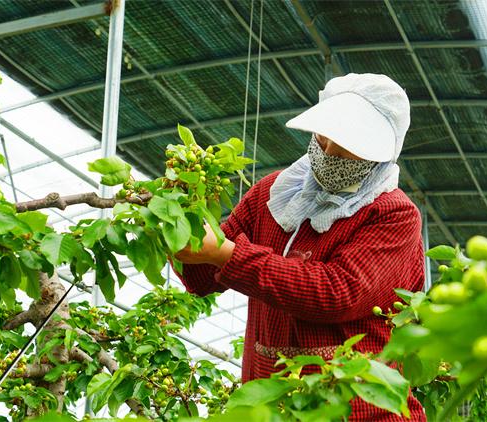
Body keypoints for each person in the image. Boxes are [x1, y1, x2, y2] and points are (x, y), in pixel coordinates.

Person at [174, 73, 426, 421]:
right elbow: (202, 277)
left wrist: (227, 253)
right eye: (325, 136)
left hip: (359, 409)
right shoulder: (272, 193)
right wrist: (177, 225)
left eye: (349, 144)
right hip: (272, 406)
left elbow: (337, 293)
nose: (330, 151)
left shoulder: (392, 214)